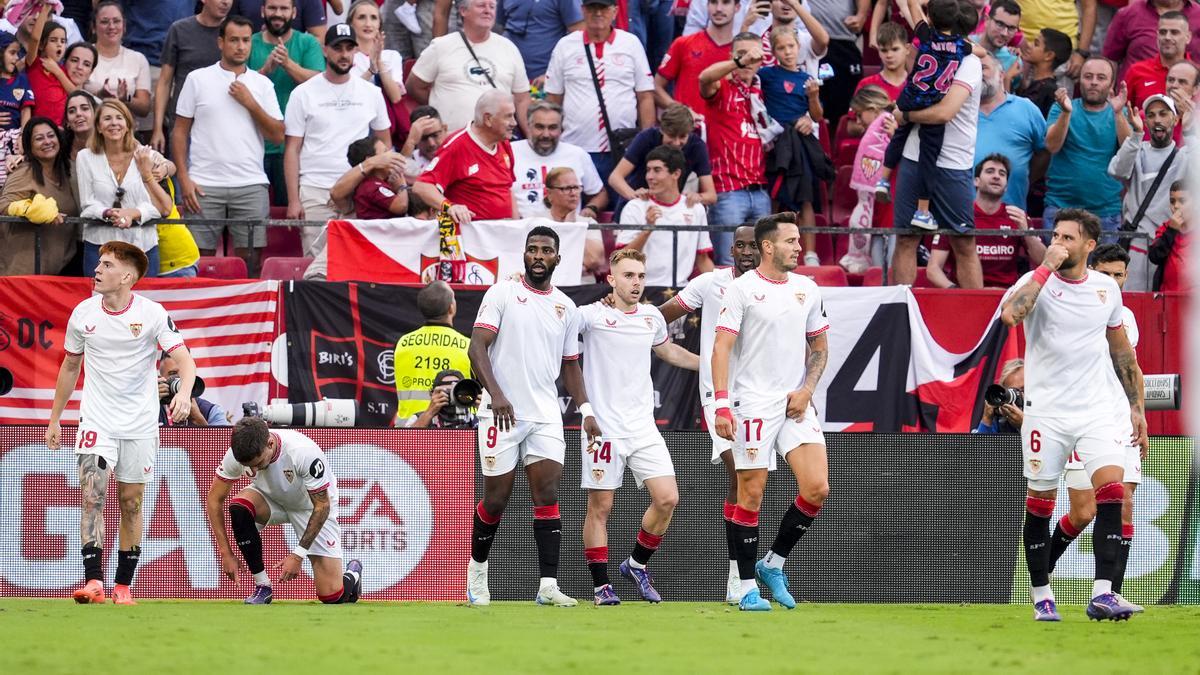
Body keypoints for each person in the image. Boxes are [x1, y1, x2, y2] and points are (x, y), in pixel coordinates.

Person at [999, 208, 1148, 622]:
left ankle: (1103, 594)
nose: (1059, 243)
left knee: (1113, 493)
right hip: (1046, 414)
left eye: (1068, 238)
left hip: (1097, 411)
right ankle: (1041, 594)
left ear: (1088, 245)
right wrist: (1045, 268)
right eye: (1056, 236)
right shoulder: (1035, 282)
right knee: (1041, 504)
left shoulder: (1106, 289)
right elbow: (1012, 315)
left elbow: (1122, 352)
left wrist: (1137, 409)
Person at [45, 241, 195, 605]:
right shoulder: (83, 313)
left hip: (140, 423)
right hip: (97, 417)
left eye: (107, 264)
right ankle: (93, 580)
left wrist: (183, 394)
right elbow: (70, 366)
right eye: (99, 263)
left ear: (126, 277)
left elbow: (185, 361)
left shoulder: (153, 313)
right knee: (91, 493)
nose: (97, 269)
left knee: (131, 501)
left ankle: (123, 585)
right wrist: (55, 418)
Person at [465, 226, 602, 607]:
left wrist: (587, 410)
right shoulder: (502, 292)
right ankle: (477, 572)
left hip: (544, 415)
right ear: (523, 256)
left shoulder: (566, 307)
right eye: (532, 250)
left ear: (558, 258)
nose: (538, 256)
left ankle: (547, 586)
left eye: (546, 251)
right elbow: (476, 348)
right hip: (500, 413)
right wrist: (497, 396)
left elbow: (571, 365)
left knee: (547, 493)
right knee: (497, 499)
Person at [711, 212, 831, 612]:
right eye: (792, 241)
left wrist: (807, 388)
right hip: (752, 402)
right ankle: (746, 588)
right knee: (752, 493)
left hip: (795, 400)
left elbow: (820, 348)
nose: (800, 248)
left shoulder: (807, 289)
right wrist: (722, 405)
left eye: (799, 241)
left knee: (817, 488)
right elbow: (721, 349)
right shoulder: (742, 289)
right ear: (768, 246)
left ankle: (772, 564)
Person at [577, 248, 699, 605]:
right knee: (600, 508)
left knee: (667, 498)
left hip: (643, 427)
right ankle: (601, 588)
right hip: (604, 430)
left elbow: (669, 352)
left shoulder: (650, 317)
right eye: (629, 276)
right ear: (611, 280)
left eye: (641, 276)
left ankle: (635, 564)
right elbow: (553, 322)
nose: (636, 283)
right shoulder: (590, 316)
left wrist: (712, 366)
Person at [658, 223, 759, 603]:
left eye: (753, 246)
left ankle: (744, 573)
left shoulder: (773, 288)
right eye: (741, 246)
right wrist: (624, 313)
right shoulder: (710, 283)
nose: (747, 252)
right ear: (731, 250)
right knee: (739, 471)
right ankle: (737, 576)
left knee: (751, 480)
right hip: (717, 393)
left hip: (759, 392)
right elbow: (661, 316)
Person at [1045, 244, 1143, 608]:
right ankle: (1044, 566)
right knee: (1084, 511)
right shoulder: (1070, 309)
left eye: (1121, 275)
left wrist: (1139, 412)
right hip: (1080, 415)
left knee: (1124, 502)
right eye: (1108, 274)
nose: (1115, 281)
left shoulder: (1125, 316)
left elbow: (1129, 365)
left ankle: (1109, 593)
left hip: (1117, 416)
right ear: (1093, 270)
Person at [206, 418, 363, 605]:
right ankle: (262, 585)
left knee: (331, 596)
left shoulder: (303, 453)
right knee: (240, 508)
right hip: (272, 499)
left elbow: (322, 506)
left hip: (310, 506)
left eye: (258, 463)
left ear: (270, 443)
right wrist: (225, 553)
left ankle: (352, 573)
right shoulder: (237, 454)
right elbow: (214, 500)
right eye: (248, 467)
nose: (253, 470)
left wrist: (297, 555)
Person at [173, 15, 284, 276]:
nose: (241, 46)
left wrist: (251, 102)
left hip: (250, 183)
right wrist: (184, 178)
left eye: (246, 40)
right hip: (203, 185)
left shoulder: (262, 84)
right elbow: (179, 132)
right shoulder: (197, 79)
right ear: (220, 42)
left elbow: (278, 135)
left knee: (252, 263)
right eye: (234, 40)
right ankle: (199, 315)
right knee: (198, 263)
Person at [284, 22, 390, 271]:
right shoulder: (303, 93)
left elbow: (385, 143)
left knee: (357, 264)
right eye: (338, 48)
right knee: (316, 268)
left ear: (356, 51)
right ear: (324, 50)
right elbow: (292, 149)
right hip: (315, 189)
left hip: (358, 190)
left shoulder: (371, 93)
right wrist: (292, 200)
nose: (344, 54)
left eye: (349, 48)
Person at [888, 16, 984, 287]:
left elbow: (944, 113)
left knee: (964, 243)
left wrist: (905, 115)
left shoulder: (970, 62)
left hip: (954, 162)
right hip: (914, 157)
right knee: (906, 238)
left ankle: (977, 321)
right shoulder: (927, 48)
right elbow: (912, 11)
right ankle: (901, 316)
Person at [876, 0, 978, 231]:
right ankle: (922, 212)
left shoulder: (925, 35)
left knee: (898, 136)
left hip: (910, 96)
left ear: (931, 19)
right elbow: (979, 51)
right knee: (928, 159)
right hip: (931, 103)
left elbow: (913, 9)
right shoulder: (961, 47)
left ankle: (883, 179)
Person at [543, 0, 654, 186]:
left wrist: (646, 143)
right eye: (592, 8)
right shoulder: (565, 45)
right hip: (576, 146)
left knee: (621, 208)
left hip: (623, 148)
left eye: (603, 8)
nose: (598, 13)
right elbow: (553, 98)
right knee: (577, 208)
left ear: (615, 12)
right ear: (583, 11)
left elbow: (645, 96)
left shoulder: (631, 43)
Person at [76, 100, 176, 276]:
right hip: (99, 246)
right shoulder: (85, 157)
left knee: (143, 302)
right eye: (107, 118)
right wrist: (107, 212)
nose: (114, 123)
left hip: (142, 245)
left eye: (119, 118)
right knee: (99, 302)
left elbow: (162, 207)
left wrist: (134, 213)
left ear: (128, 124)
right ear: (98, 127)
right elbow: (87, 203)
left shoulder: (145, 155)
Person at [699, 33, 773, 266]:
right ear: (732, 57)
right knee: (728, 266)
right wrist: (739, 62)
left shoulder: (763, 91)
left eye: (754, 56)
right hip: (728, 192)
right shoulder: (722, 88)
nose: (749, 61)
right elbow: (704, 77)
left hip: (760, 190)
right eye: (742, 55)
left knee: (763, 267)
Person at [405, 0, 531, 135]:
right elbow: (414, 86)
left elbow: (522, 99)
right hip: (452, 142)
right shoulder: (441, 46)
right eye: (481, 6)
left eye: (492, 6)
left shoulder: (509, 48)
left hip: (497, 143)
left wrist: (530, 135)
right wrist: (442, 101)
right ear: (463, 11)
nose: (488, 10)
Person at [1108, 94, 1193, 291]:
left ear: (1175, 119)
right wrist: (1136, 135)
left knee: (1162, 309)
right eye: (1151, 115)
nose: (1157, 120)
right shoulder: (1137, 149)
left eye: (1163, 114)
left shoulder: (1184, 155)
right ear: (1145, 121)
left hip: (1169, 245)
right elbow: (1117, 170)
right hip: (1136, 246)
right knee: (1134, 306)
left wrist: (1189, 133)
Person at [927, 153, 1046, 288]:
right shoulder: (957, 216)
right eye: (990, 171)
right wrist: (957, 291)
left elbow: (1043, 260)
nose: (996, 176)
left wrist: (1026, 233)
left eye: (1002, 174)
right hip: (968, 295)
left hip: (1007, 296)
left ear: (1006, 186)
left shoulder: (1017, 216)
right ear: (976, 181)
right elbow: (933, 269)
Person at [1043, 57, 1131, 237]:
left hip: (1106, 213)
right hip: (1061, 209)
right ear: (1079, 79)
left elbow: (1129, 152)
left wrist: (1117, 114)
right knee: (1058, 265)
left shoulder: (1120, 112)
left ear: (1111, 83)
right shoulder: (1061, 108)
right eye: (1088, 76)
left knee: (1103, 267)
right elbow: (1052, 146)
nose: (1093, 82)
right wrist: (1067, 113)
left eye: (1101, 78)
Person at [249, 0, 324, 206]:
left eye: (284, 9)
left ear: (294, 13)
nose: (278, 13)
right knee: (253, 215)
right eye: (272, 8)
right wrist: (265, 71)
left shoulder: (308, 43)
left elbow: (320, 83)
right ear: (263, 10)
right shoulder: (249, 42)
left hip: (296, 145)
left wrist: (287, 64)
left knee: (291, 211)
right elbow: (236, 87)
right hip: (254, 146)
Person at [411, 89, 518, 225]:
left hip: (503, 235)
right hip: (472, 239)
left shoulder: (504, 144)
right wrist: (450, 207)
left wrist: (516, 228)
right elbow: (421, 186)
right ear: (488, 119)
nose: (514, 122)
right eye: (508, 116)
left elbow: (508, 190)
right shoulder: (457, 146)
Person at [617, 145, 714, 287]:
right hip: (640, 290)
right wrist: (647, 229)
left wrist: (721, 291)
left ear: (676, 174)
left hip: (680, 291)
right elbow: (621, 260)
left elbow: (703, 259)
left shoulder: (695, 209)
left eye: (657, 170)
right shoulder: (634, 207)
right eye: (648, 170)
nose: (650, 176)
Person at [151, 0, 233, 154]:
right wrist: (158, 129)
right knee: (180, 177)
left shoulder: (235, 33)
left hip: (222, 127)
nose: (226, 2)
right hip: (183, 126)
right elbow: (165, 81)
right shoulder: (179, 29)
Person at [0, 117, 79, 276]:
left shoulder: (65, 172)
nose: (47, 141)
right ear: (29, 145)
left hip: (55, 269)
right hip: (20, 270)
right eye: (39, 138)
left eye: (51, 135)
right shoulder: (23, 171)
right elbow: (4, 205)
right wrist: (37, 211)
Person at [607, 104, 716, 218]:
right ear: (662, 130)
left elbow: (711, 195)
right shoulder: (646, 137)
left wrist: (698, 197)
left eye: (682, 137)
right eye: (672, 136)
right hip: (635, 210)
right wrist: (635, 196)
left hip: (668, 211)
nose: (676, 142)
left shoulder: (696, 146)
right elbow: (615, 178)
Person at [975, 54, 1048, 211]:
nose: (977, 74)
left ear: (1001, 75)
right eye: (972, 70)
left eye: (983, 68)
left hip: (1011, 213)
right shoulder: (958, 108)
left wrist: (1021, 175)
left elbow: (1045, 153)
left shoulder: (1027, 109)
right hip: (962, 215)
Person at [511, 100, 606, 219]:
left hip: (567, 230)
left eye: (552, 128)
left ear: (561, 129)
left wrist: (590, 208)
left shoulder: (577, 154)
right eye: (540, 127)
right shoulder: (510, 152)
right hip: (522, 229)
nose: (546, 134)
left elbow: (600, 193)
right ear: (529, 127)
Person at [392, 280, 471, 423]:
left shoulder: (403, 343)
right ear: (451, 308)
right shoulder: (467, 346)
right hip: (454, 430)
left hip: (410, 430)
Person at [841, 86, 897, 273]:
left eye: (859, 114)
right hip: (876, 217)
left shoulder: (897, 127)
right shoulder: (871, 139)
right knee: (876, 273)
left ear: (873, 109)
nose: (857, 121)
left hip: (894, 216)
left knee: (890, 273)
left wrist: (896, 138)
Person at [654, 0, 742, 116]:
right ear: (707, 5)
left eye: (725, 3)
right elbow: (655, 88)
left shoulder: (741, 52)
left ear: (737, 7)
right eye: (714, 2)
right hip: (686, 130)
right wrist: (682, 112)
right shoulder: (683, 44)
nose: (719, 8)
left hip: (724, 131)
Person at [84, 1, 152, 139]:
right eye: (104, 22)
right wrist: (98, 95)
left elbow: (144, 108)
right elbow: (71, 93)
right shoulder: (83, 55)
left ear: (124, 26)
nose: (111, 27)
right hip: (90, 133)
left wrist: (126, 99)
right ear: (93, 27)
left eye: (116, 21)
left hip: (127, 134)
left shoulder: (138, 59)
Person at [346, 0, 405, 141]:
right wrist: (371, 70)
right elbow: (347, 93)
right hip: (353, 122)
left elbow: (396, 97)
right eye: (361, 17)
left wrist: (379, 61)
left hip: (384, 124)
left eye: (373, 18)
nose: (368, 23)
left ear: (379, 24)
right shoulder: (345, 55)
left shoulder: (392, 56)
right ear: (350, 24)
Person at [805, 0, 870, 126]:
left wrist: (861, 15)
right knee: (815, 98)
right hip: (811, 40)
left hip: (844, 39)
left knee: (847, 104)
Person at [1103, 0, 1200, 80]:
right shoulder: (1129, 13)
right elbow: (1110, 59)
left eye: (1175, 32)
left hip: (1189, 94)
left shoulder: (1198, 15)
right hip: (1136, 95)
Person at [495, 0, 583, 84]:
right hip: (507, 76)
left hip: (543, 83)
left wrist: (552, 75)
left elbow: (579, 37)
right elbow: (498, 25)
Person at [542, 166, 607, 279]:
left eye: (576, 187)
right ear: (549, 194)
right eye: (566, 188)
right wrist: (577, 266)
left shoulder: (588, 223)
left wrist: (573, 228)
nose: (573, 193)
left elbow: (595, 260)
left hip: (582, 287)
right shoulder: (538, 222)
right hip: (547, 285)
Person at [1122, 11, 1191, 110]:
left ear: (1188, 37)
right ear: (1157, 35)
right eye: (1163, 32)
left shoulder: (1197, 74)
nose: (1167, 37)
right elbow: (1123, 113)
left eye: (1174, 32)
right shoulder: (1136, 71)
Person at [1018, 0, 1097, 79]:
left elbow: (1089, 7)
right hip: (1018, 48)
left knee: (1058, 91)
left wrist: (1081, 53)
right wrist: (1016, 39)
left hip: (1061, 53)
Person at [25, 5, 72, 122]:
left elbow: (74, 93)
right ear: (41, 45)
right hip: (38, 126)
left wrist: (58, 72)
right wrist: (45, 9)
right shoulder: (34, 63)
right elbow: (35, 38)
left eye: (63, 41)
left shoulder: (63, 70)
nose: (59, 44)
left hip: (59, 129)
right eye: (53, 40)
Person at [343, 136, 409, 218]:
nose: (391, 154)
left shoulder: (380, 182)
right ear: (371, 160)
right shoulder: (371, 186)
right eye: (385, 152)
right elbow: (401, 206)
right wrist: (401, 186)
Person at [157, 352, 230, 426]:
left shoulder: (212, 411)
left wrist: (198, 419)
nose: (180, 379)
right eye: (173, 374)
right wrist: (150, 401)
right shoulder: (151, 407)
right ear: (161, 378)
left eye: (184, 373)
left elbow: (222, 437)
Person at [0, 32, 33, 185]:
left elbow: (26, 110)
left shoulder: (21, 80)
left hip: (14, 142)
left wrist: (23, 136)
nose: (16, 58)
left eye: (17, 54)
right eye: (12, 53)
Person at [1015, 27, 1072, 117]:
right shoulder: (1036, 84)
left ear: (1049, 55)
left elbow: (1018, 116)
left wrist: (1007, 78)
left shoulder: (1048, 90)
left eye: (1036, 44)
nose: (1029, 45)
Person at [1147, 180, 1192, 292]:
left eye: (1182, 201)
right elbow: (1155, 256)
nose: (1176, 206)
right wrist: (1172, 230)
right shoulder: (1165, 228)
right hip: (1168, 297)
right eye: (1172, 201)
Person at [404, 369, 480, 428]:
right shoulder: (418, 418)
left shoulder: (475, 420)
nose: (451, 396)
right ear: (432, 394)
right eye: (447, 392)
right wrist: (429, 412)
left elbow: (490, 444)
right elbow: (404, 444)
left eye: (455, 392)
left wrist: (485, 413)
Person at [854, 20, 907, 103]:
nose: (889, 55)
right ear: (878, 51)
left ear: (907, 49)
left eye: (895, 49)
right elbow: (855, 115)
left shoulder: (918, 85)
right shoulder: (866, 85)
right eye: (884, 50)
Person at [971, 0, 1022, 86]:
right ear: (987, 20)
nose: (1004, 33)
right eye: (1000, 24)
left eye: (1011, 28)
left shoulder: (1014, 61)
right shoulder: (965, 44)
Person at [973, 358, 1024, 433]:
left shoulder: (1044, 414)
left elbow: (1045, 442)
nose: (1018, 395)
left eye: (1023, 390)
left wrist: (1024, 424)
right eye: (1012, 391)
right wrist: (987, 419)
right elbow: (979, 444)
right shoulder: (1000, 420)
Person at [235, 0, 329, 41]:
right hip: (250, 59)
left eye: (284, 8)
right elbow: (231, 29)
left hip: (296, 62)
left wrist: (287, 57)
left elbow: (319, 37)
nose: (278, 14)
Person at [399, 105, 445, 179]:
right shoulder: (411, 160)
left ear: (445, 129)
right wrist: (410, 142)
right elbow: (398, 176)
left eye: (435, 135)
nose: (431, 143)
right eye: (423, 138)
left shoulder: (459, 152)